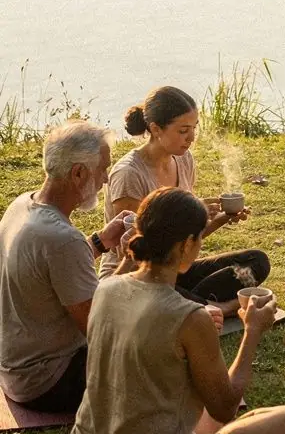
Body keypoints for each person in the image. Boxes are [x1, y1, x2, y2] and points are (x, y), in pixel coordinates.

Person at [71, 188, 285, 434]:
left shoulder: (106, 288)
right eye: (199, 239)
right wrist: (252, 331)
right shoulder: (189, 317)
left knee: (207, 414)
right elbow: (225, 407)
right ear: (186, 246)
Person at [102, 85, 270, 315]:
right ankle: (213, 308)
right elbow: (137, 252)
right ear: (156, 129)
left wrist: (218, 218)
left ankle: (195, 304)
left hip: (174, 268)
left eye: (193, 129)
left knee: (257, 261)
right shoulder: (129, 174)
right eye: (183, 131)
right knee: (161, 287)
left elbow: (183, 241)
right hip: (138, 278)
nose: (191, 138)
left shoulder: (183, 160)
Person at [0, 122, 127, 412]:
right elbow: (100, 326)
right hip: (47, 380)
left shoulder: (22, 204)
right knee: (160, 354)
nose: (106, 179)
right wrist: (131, 259)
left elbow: (49, 270)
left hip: (15, 369)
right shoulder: (61, 239)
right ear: (79, 172)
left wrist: (101, 241)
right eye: (103, 169)